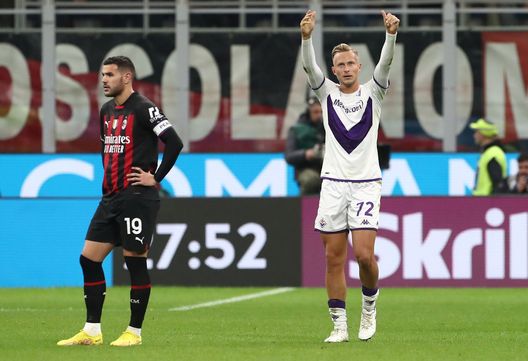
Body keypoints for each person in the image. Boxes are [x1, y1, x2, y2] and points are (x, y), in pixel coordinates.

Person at [57, 56, 183, 347]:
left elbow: (174, 142)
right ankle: (91, 330)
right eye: (103, 74)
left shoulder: (144, 107)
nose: (104, 80)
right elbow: (107, 149)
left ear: (127, 77)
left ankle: (134, 333)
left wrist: (156, 177)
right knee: (88, 259)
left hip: (137, 198)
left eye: (110, 75)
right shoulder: (106, 110)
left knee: (134, 261)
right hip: (110, 197)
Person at [300, 9, 399, 342]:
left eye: (350, 63)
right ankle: (339, 325)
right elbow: (309, 67)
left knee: (364, 256)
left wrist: (390, 35)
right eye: (339, 65)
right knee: (332, 258)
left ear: (359, 66)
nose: (345, 69)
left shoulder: (373, 92)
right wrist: (306, 38)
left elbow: (386, 64)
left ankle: (369, 307)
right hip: (333, 184)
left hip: (366, 184)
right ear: (334, 70)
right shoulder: (326, 93)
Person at [284, 97, 325, 195]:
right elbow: (289, 156)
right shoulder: (296, 130)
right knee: (311, 180)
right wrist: (306, 154)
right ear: (308, 112)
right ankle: (307, 208)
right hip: (305, 168)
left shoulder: (327, 128)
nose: (319, 115)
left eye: (321, 112)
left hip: (326, 167)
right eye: (315, 112)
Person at [470, 118, 507, 196]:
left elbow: (497, 182)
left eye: (476, 132)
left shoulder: (493, 153)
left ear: (483, 133)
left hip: (486, 202)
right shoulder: (489, 152)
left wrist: (492, 204)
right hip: (483, 201)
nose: (474, 135)